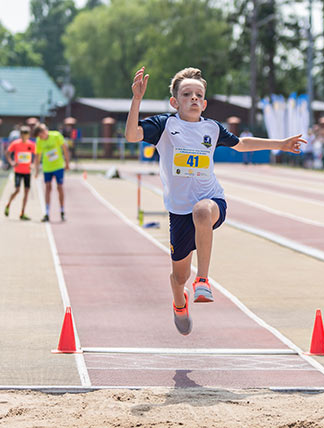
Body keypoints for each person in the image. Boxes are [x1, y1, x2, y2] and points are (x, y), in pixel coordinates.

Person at [125, 67, 305, 336]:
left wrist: (280, 144)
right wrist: (136, 99)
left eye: (199, 95)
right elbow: (132, 136)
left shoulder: (211, 128)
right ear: (175, 102)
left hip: (211, 200)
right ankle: (179, 302)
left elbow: (242, 144)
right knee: (178, 277)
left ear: (205, 102)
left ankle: (203, 280)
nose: (194, 99)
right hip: (178, 209)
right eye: (187, 94)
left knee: (201, 211)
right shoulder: (165, 125)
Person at [34, 123, 70, 222]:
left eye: (40, 136)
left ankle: (62, 211)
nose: (40, 138)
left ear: (44, 132)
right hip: (47, 168)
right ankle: (47, 212)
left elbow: (65, 149)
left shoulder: (56, 135)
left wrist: (67, 163)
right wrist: (36, 170)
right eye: (39, 137)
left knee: (59, 187)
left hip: (58, 167)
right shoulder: (39, 140)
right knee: (48, 188)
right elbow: (37, 155)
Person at [4, 126, 35, 220]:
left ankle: (22, 212)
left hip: (27, 171)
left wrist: (33, 164)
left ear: (29, 135)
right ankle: (8, 204)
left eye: (26, 135)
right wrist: (11, 162)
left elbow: (37, 155)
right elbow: (7, 153)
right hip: (18, 171)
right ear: (20, 135)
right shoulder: (15, 143)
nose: (24, 137)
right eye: (23, 135)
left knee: (26, 192)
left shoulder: (32, 144)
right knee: (17, 190)